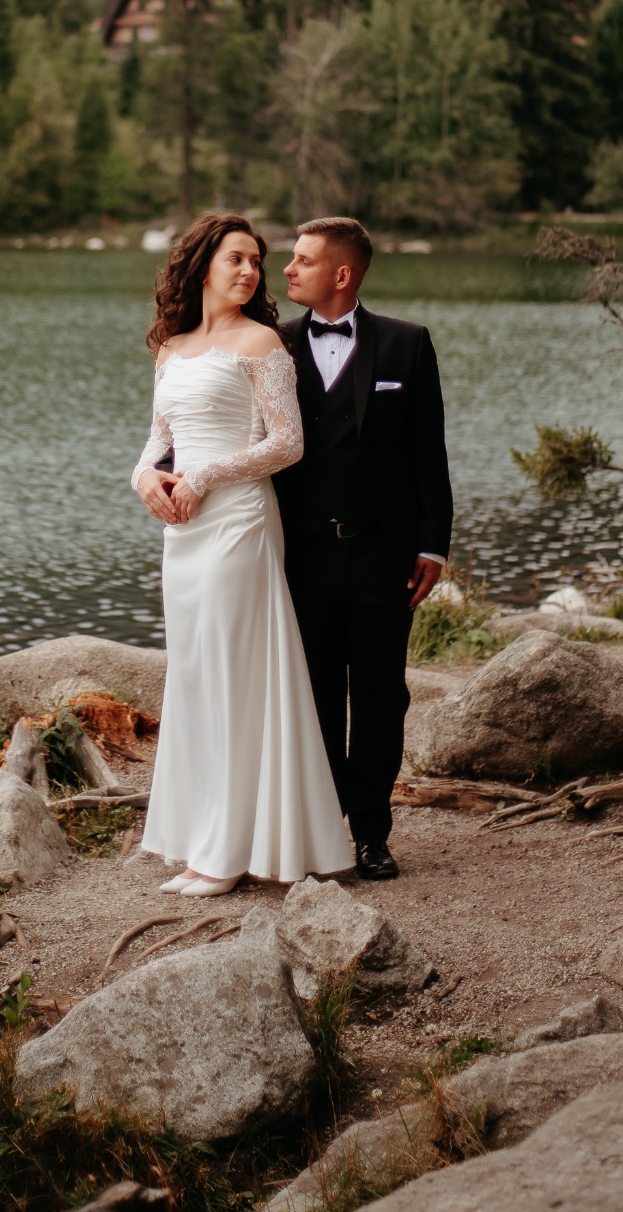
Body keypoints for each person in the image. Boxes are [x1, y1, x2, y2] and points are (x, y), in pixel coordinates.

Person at [132, 212, 352, 897]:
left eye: (256, 261)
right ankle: (202, 838)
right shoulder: (171, 348)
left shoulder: (262, 342)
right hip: (183, 532)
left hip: (238, 522)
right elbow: (158, 438)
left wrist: (203, 475)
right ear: (202, 264)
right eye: (236, 258)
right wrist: (144, 478)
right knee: (195, 676)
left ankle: (227, 854)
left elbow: (287, 443)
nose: (251, 271)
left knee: (233, 676)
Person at [274, 216, 453, 881]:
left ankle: (372, 834)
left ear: (341, 274)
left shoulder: (407, 344)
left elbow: (428, 452)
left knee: (380, 698)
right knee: (316, 697)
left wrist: (433, 546)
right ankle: (323, 833)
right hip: (301, 559)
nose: (288, 269)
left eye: (302, 260)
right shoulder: (274, 346)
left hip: (383, 557)